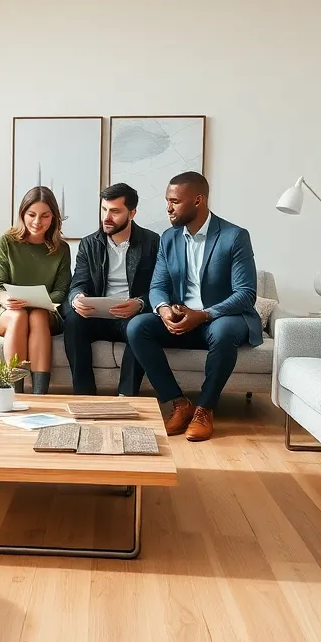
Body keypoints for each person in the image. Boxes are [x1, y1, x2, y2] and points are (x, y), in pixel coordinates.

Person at [126, 171, 263, 442]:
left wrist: (204, 314)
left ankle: (204, 409)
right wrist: (164, 309)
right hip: (183, 317)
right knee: (137, 326)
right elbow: (158, 286)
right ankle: (178, 403)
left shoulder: (234, 236)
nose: (168, 207)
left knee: (223, 332)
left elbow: (246, 294)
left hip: (220, 317)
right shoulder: (169, 238)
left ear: (198, 200)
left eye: (175, 201)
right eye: (167, 200)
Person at [64, 183, 159, 397]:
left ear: (132, 213)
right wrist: (77, 298)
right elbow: (78, 282)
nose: (107, 217)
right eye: (104, 209)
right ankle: (84, 394)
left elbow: (160, 286)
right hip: (97, 316)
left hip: (131, 316)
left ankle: (126, 396)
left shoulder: (152, 242)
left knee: (142, 327)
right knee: (73, 320)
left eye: (115, 211)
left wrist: (140, 303)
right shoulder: (89, 244)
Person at [0, 186, 71, 395]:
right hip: (7, 312)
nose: (37, 222)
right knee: (19, 316)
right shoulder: (7, 242)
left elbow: (61, 292)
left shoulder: (61, 249)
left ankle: (40, 395)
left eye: (45, 216)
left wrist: (37, 301)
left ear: (54, 218)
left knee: (38, 315)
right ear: (22, 214)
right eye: (31, 214)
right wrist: (5, 299)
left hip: (46, 310)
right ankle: (14, 393)